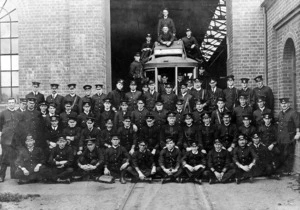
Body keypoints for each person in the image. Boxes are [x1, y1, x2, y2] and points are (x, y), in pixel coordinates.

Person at [0, 98, 22, 182]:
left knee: (16, 157)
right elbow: (0, 126)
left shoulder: (19, 114)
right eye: (10, 103)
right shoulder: (2, 114)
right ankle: (1, 176)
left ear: (15, 104)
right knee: (4, 157)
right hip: (6, 139)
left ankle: (15, 176)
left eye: (13, 102)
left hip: (16, 139)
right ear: (7, 104)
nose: (11, 104)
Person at [277, 97, 300, 175]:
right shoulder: (280, 113)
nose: (284, 105)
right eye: (282, 104)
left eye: (285, 103)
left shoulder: (293, 113)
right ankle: (283, 169)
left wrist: (298, 133)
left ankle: (288, 170)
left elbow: (298, 124)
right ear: (280, 105)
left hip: (289, 138)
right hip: (281, 138)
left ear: (289, 104)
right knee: (282, 154)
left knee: (288, 154)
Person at [258, 112, 280, 177]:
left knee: (277, 152)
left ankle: (275, 170)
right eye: (266, 119)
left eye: (268, 119)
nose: (267, 120)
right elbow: (258, 138)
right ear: (263, 119)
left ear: (270, 119)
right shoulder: (260, 128)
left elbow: (278, 138)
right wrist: (262, 144)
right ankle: (264, 171)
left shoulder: (274, 128)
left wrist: (273, 144)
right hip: (263, 145)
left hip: (272, 145)